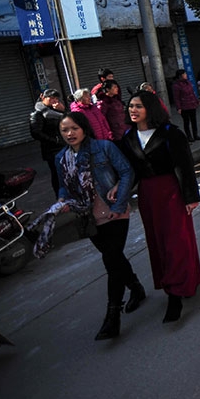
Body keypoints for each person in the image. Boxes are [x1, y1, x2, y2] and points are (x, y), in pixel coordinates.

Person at [54, 111, 144, 340]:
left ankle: (112, 316)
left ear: (84, 128)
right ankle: (135, 287)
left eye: (74, 128)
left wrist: (118, 194)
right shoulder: (61, 158)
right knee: (113, 257)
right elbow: (63, 187)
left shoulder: (104, 147)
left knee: (111, 259)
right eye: (65, 130)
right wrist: (62, 200)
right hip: (88, 217)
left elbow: (126, 172)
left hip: (115, 210)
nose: (70, 133)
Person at [119, 90, 200, 323]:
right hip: (147, 194)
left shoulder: (170, 133)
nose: (133, 110)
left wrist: (190, 197)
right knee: (157, 241)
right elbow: (130, 171)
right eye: (131, 106)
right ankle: (171, 284)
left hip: (172, 191)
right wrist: (119, 189)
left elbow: (184, 166)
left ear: (151, 109)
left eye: (138, 106)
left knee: (177, 240)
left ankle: (176, 294)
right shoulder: (128, 138)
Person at [30, 88, 67, 199]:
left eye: (56, 98)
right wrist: (55, 140)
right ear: (42, 97)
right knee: (57, 175)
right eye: (50, 98)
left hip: (65, 146)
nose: (53, 101)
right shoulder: (37, 114)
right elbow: (36, 133)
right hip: (52, 150)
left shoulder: (57, 112)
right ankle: (60, 198)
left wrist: (63, 111)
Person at [171, 69, 200, 142]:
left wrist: (197, 101)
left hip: (192, 104)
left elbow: (192, 93)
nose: (186, 75)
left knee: (194, 121)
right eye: (184, 74)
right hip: (184, 106)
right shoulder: (176, 86)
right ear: (180, 76)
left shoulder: (188, 83)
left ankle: (195, 135)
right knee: (186, 121)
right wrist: (179, 108)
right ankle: (189, 136)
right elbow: (176, 97)